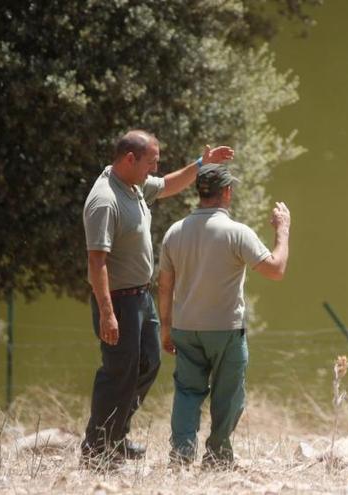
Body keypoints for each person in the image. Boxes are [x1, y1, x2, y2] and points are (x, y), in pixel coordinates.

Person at [81, 130, 234, 469]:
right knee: (118, 372)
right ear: (129, 159)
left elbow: (166, 185)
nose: (154, 168)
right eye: (150, 161)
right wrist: (107, 313)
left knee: (148, 364)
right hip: (118, 301)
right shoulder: (105, 200)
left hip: (140, 296)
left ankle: (115, 434)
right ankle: (96, 449)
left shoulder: (133, 185)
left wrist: (201, 164)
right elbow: (97, 262)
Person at [157, 164, 290, 468]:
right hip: (225, 330)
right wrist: (282, 231)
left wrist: (166, 328)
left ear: (199, 192)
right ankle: (217, 456)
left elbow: (164, 286)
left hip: (185, 328)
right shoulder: (237, 233)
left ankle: (181, 455)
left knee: (187, 392)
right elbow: (276, 270)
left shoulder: (174, 232)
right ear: (227, 192)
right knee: (228, 396)